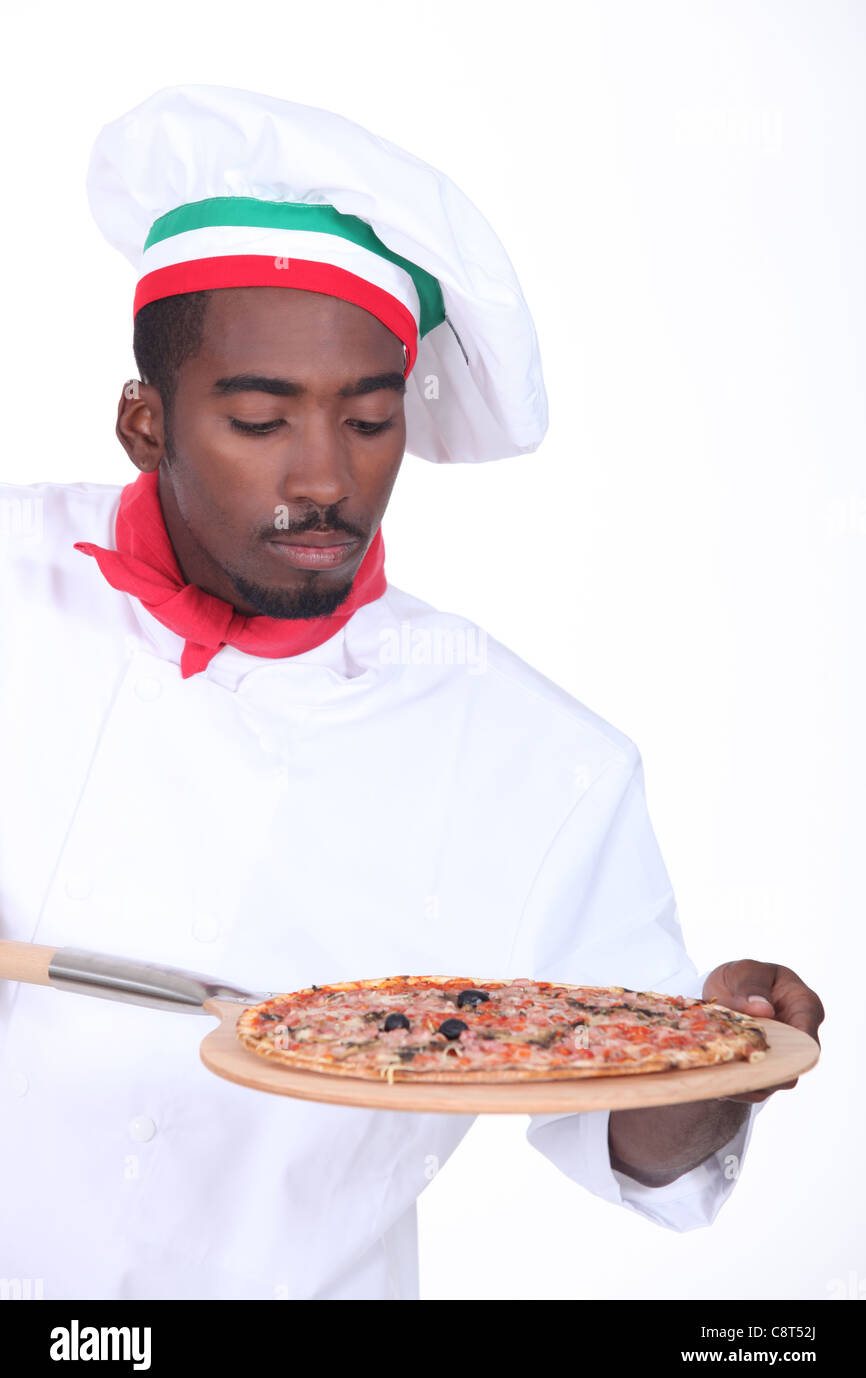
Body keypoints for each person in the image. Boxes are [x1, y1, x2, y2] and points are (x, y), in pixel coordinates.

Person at [0, 84, 822, 1301]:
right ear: (144, 423)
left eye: (370, 419)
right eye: (259, 418)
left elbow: (631, 1142)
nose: (324, 477)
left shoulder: (534, 759)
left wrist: (710, 1069)